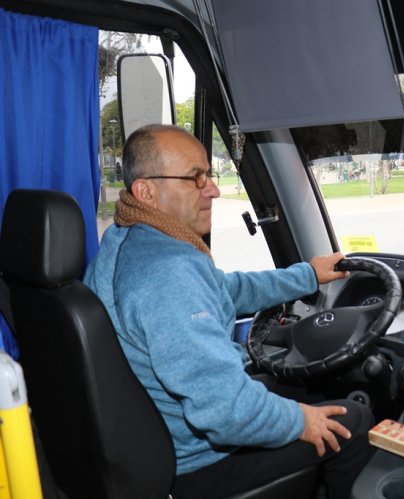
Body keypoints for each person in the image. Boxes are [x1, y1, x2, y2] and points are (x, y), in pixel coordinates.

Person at [83, 124, 374, 499]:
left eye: (209, 174)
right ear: (147, 192)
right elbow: (224, 410)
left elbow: (223, 290)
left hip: (159, 435)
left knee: (298, 387)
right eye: (195, 178)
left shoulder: (129, 240)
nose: (214, 190)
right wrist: (301, 421)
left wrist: (307, 276)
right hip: (198, 464)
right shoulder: (166, 274)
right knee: (354, 421)